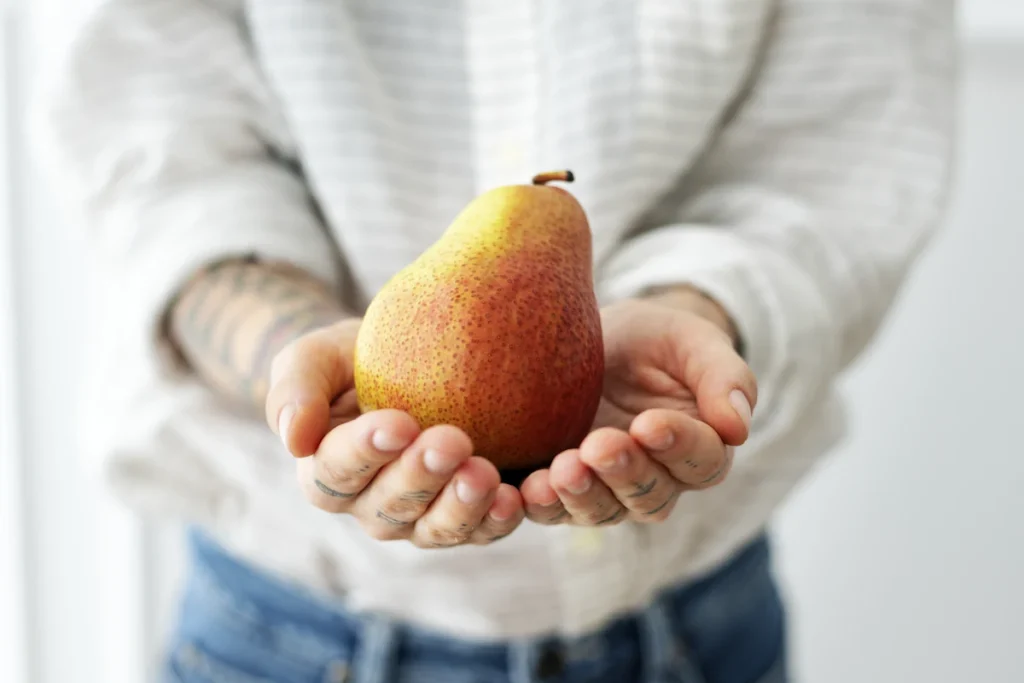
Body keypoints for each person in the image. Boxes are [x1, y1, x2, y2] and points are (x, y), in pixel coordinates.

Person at [36, 1, 955, 681]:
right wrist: (296, 352)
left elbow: (838, 148)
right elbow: (159, 148)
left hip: (699, 620)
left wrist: (702, 307)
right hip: (283, 630)